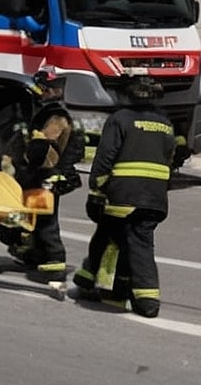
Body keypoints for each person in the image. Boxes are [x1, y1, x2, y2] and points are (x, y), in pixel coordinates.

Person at [73, 74, 175, 317]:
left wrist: (96, 190)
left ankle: (147, 300)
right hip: (155, 198)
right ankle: (99, 282)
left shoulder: (120, 119)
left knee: (136, 243)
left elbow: (105, 157)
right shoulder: (165, 123)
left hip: (124, 195)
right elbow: (170, 156)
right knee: (112, 235)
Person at [0, 68, 80, 286]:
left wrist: (29, 161)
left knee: (45, 222)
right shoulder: (49, 111)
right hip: (44, 174)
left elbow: (43, 148)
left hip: (46, 175)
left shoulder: (55, 115)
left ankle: (54, 264)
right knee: (34, 219)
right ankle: (34, 256)